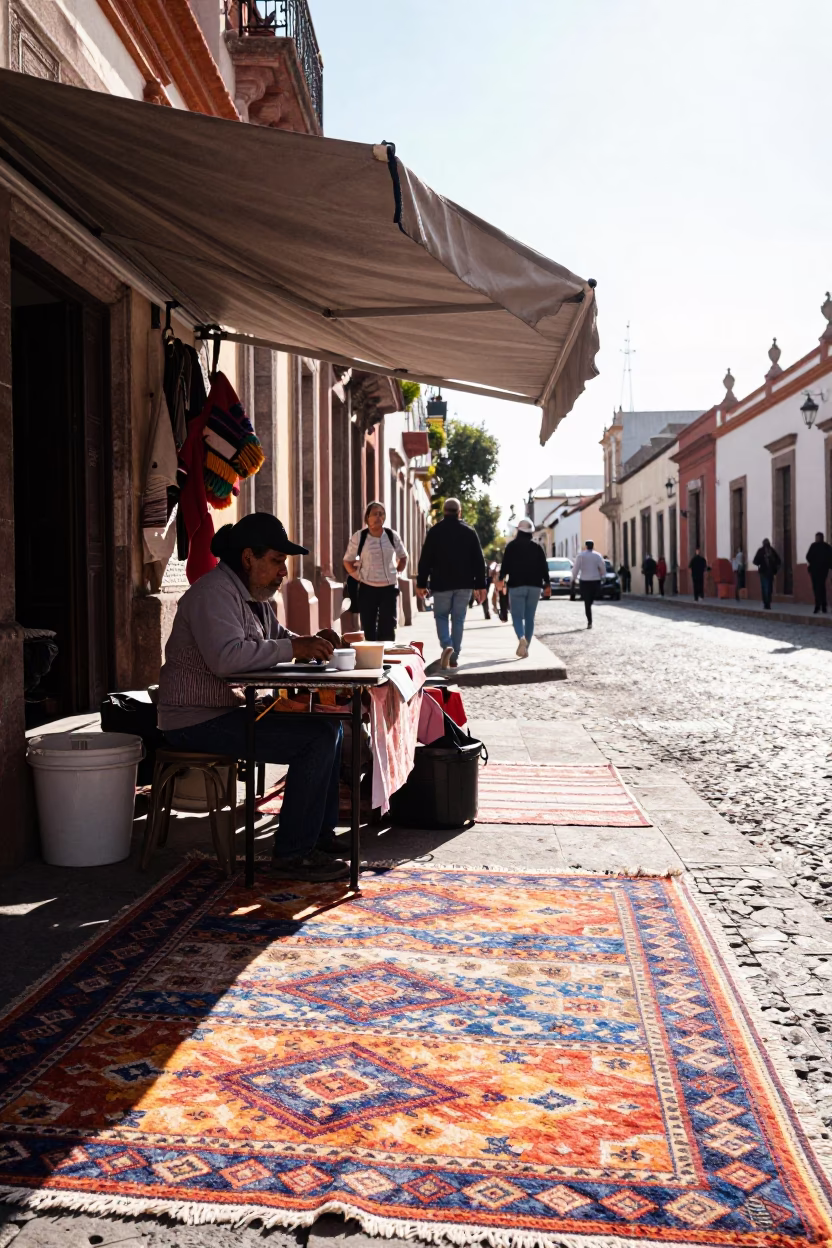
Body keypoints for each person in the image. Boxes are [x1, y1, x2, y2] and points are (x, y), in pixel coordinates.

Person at [158, 513, 349, 882]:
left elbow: (278, 638)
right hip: (194, 720)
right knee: (316, 740)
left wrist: (313, 642)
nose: (282, 572)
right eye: (277, 561)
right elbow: (228, 659)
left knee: (330, 725)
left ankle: (318, 836)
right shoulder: (213, 593)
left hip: (227, 710)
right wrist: (294, 647)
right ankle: (293, 854)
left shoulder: (254, 596)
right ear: (249, 558)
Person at [416, 497, 487, 668]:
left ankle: (447, 645)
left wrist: (421, 583)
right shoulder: (469, 532)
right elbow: (479, 560)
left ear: (444, 511)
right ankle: (454, 655)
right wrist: (481, 586)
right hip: (464, 584)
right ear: (459, 512)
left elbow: (425, 559)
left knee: (441, 616)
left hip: (441, 584)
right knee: (458, 618)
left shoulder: (435, 531)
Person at [343, 501, 408, 641]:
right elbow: (347, 561)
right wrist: (358, 576)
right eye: (375, 514)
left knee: (388, 627)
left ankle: (387, 656)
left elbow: (403, 557)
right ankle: (373, 657)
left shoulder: (392, 535)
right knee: (369, 627)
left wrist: (397, 573)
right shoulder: (359, 537)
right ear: (367, 517)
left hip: (388, 588)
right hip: (367, 588)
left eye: (381, 514)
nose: (379, 517)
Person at [499, 518, 551, 657]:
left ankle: (521, 637)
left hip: (516, 585)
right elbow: (544, 568)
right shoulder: (537, 548)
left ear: (518, 531)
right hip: (534, 586)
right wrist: (547, 584)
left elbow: (505, 567)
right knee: (529, 617)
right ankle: (526, 646)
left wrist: (501, 579)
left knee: (516, 616)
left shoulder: (511, 547)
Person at [571, 539, 606, 629]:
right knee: (591, 600)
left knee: (587, 602)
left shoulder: (581, 556)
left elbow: (576, 569)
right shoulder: (597, 556)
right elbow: (602, 567)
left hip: (585, 581)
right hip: (595, 580)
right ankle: (590, 618)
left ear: (586, 546)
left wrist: (573, 579)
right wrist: (603, 576)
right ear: (593, 546)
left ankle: (589, 621)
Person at [806, 532, 832, 614]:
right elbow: (808, 556)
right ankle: (821, 606)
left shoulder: (821, 546)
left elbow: (808, 557)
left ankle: (819, 605)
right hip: (819, 570)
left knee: (818, 587)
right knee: (820, 587)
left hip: (819, 570)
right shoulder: (824, 547)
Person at [753, 539, 780, 610]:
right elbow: (779, 560)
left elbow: (755, 561)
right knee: (769, 588)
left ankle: (766, 603)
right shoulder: (772, 550)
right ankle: (768, 603)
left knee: (765, 587)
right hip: (770, 572)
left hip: (764, 572)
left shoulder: (761, 551)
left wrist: (760, 563)